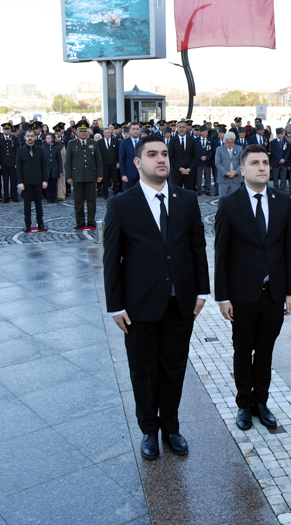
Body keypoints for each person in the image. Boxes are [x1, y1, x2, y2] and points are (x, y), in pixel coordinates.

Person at [103, 134, 209, 460]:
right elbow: (112, 258)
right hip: (139, 306)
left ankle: (171, 427)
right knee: (143, 370)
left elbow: (197, 248)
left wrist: (202, 290)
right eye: (152, 154)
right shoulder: (121, 204)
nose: (161, 159)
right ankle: (149, 429)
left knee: (174, 368)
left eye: (164, 154)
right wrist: (115, 305)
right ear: (138, 163)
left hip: (180, 304)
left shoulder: (186, 199)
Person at [214, 144, 291, 431]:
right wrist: (223, 296)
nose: (262, 167)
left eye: (265, 162)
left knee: (265, 351)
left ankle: (261, 402)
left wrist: (290, 292)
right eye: (255, 163)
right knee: (242, 350)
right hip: (242, 295)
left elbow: (289, 250)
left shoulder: (283, 202)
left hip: (274, 294)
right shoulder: (229, 204)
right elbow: (221, 253)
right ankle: (244, 405)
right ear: (243, 168)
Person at [65, 120, 103, 229]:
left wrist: (99, 174)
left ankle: (91, 220)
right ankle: (80, 221)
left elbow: (98, 160)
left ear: (88, 132)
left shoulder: (93, 143)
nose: (83, 133)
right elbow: (68, 162)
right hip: (77, 176)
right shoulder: (72, 144)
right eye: (81, 131)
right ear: (77, 132)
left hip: (91, 175)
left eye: (85, 131)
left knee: (91, 201)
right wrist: (69, 176)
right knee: (78, 201)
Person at [16, 130, 48, 232]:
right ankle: (27, 224)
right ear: (25, 138)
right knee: (27, 205)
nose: (30, 138)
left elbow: (44, 166)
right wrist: (20, 182)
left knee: (39, 203)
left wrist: (45, 180)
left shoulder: (40, 150)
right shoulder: (20, 151)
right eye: (28, 136)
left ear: (35, 137)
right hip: (26, 182)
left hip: (38, 180)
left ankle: (40, 223)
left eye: (32, 136)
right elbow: (19, 167)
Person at [169, 120, 197, 190]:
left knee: (190, 194)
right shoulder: (172, 141)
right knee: (176, 194)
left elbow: (195, 156)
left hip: (189, 173)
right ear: (177, 128)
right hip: (176, 173)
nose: (181, 129)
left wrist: (189, 168)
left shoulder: (191, 141)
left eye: (183, 127)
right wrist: (179, 168)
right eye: (180, 127)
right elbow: (170, 157)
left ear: (186, 128)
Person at [214, 131, 244, 197]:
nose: (230, 144)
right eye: (228, 142)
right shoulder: (219, 149)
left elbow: (242, 162)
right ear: (225, 141)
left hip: (236, 179)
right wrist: (225, 173)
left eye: (232, 142)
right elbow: (218, 163)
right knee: (223, 199)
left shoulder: (239, 149)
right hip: (223, 179)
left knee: (235, 199)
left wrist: (236, 172)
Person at [0, 123, 20, 203]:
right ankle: (6, 197)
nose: (7, 130)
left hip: (12, 163)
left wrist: (16, 162)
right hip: (4, 163)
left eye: (8, 129)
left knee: (13, 181)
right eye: (5, 129)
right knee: (5, 181)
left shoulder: (13, 138)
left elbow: (17, 151)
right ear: (3, 130)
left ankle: (14, 196)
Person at [97, 126, 120, 198]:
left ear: (111, 133)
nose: (107, 134)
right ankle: (105, 194)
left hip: (113, 163)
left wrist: (118, 162)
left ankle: (115, 193)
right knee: (105, 180)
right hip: (104, 164)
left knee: (115, 179)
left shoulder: (115, 141)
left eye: (108, 133)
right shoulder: (100, 142)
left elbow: (118, 152)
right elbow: (98, 154)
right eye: (106, 133)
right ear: (103, 134)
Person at [118, 122, 141, 189]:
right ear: (130, 131)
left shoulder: (144, 142)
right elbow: (121, 159)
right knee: (130, 195)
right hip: (129, 174)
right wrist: (123, 174)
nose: (135, 131)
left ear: (140, 130)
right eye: (133, 129)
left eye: (137, 129)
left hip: (142, 173)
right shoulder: (124, 143)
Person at [43, 133, 63, 204]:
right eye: (46, 138)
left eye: (49, 138)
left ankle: (54, 197)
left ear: (52, 139)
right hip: (46, 168)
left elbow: (59, 159)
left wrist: (60, 169)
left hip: (54, 168)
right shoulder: (43, 147)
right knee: (47, 184)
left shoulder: (56, 147)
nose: (47, 139)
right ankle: (48, 197)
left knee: (54, 184)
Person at [269, 127, 290, 192]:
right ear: (277, 135)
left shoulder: (286, 142)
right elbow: (273, 152)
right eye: (281, 134)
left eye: (283, 134)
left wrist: (284, 159)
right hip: (276, 162)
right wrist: (279, 159)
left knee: (283, 175)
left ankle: (282, 187)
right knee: (275, 175)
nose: (282, 135)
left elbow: (288, 151)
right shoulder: (273, 142)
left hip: (284, 162)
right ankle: (275, 187)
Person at [195, 125, 214, 196]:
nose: (206, 133)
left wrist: (207, 157)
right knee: (198, 176)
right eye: (205, 132)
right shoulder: (196, 140)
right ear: (201, 132)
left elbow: (211, 150)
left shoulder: (210, 140)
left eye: (207, 132)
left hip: (207, 161)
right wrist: (200, 157)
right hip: (199, 161)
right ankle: (199, 189)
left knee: (207, 176)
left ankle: (207, 189)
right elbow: (195, 151)